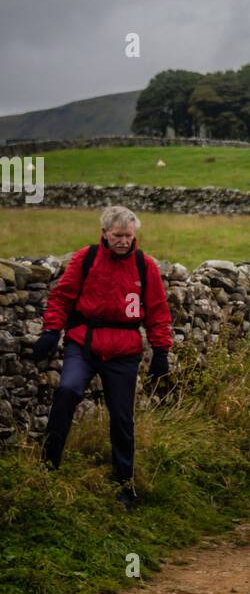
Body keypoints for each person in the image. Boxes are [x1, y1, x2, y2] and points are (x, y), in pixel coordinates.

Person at [30, 205, 173, 508]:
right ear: (105, 234)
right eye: (118, 235)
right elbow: (62, 297)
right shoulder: (87, 258)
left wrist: (161, 351)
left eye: (129, 235)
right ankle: (47, 467)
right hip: (84, 343)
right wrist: (51, 331)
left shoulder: (144, 266)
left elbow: (158, 312)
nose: (124, 241)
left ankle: (125, 485)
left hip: (124, 351)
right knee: (67, 391)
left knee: (122, 417)